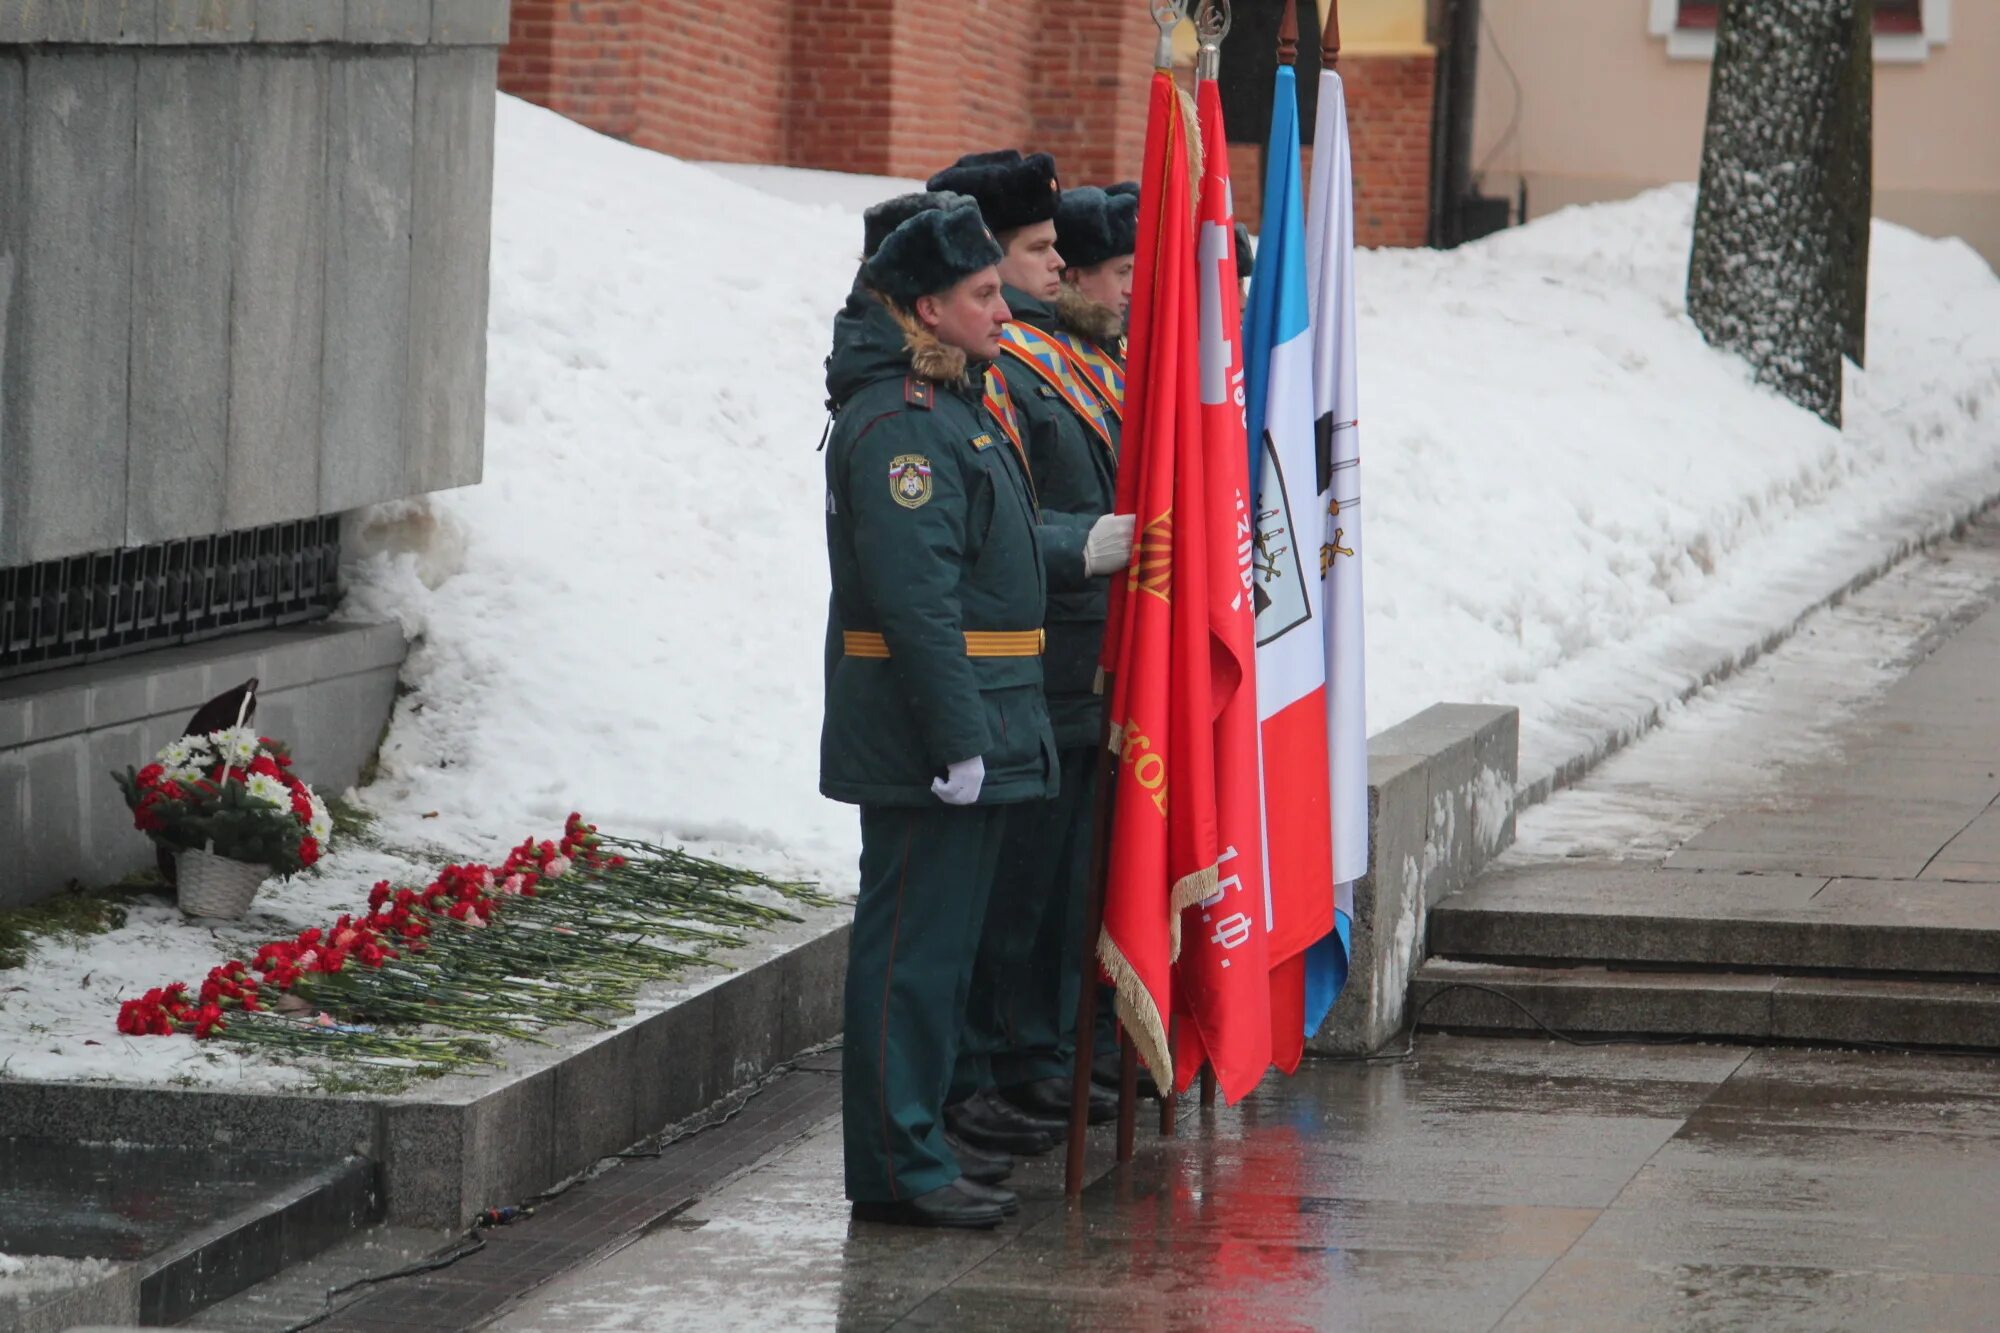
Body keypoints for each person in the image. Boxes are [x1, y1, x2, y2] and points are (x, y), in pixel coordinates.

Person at [821, 199, 1132, 1228]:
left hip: (986, 719)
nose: (1006, 307)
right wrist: (954, 738)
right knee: (910, 959)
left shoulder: (954, 404)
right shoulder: (903, 424)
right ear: (925, 306)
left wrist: (1082, 542)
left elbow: (990, 542)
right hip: (932, 734)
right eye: (983, 292)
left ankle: (915, 1144)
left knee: (941, 958)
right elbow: (918, 603)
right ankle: (897, 1164)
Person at [925, 151, 1131, 1139]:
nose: (1054, 266)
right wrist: (1090, 546)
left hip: (1078, 664)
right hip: (1024, 660)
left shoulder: (1063, 358)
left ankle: (1034, 1051)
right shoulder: (993, 374)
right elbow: (997, 522)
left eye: (1057, 248)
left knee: (1061, 884)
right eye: (1036, 249)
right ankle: (987, 1069)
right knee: (1007, 893)